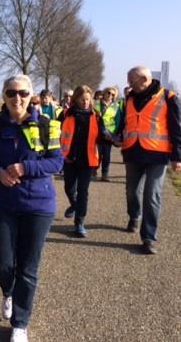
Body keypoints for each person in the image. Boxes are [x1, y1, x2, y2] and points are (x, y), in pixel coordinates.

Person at [0, 74, 63, 342]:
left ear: (31, 96)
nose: (17, 98)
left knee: (28, 266)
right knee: (0, 261)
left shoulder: (48, 125)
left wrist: (26, 167)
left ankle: (20, 323)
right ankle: (9, 291)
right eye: (12, 93)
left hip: (38, 205)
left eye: (23, 93)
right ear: (4, 95)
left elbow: (56, 163)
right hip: (5, 203)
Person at [119, 66, 181, 254]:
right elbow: (125, 122)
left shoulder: (168, 97)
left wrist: (177, 157)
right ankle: (134, 216)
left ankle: (148, 237)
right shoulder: (129, 98)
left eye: (132, 82)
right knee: (132, 191)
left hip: (157, 154)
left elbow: (177, 128)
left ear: (144, 79)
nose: (129, 86)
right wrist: (117, 136)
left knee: (152, 195)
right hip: (133, 152)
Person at [60, 85, 106, 237]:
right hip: (70, 157)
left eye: (88, 100)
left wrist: (111, 138)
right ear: (75, 100)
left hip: (88, 159)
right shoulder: (66, 114)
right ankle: (74, 205)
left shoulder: (96, 116)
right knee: (69, 188)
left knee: (83, 192)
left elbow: (102, 134)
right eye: (82, 100)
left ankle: (79, 222)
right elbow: (56, 131)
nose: (86, 103)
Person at [94, 86, 121, 181]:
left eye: (113, 94)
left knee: (106, 156)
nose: (110, 95)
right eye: (108, 93)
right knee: (97, 154)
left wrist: (115, 133)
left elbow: (118, 121)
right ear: (104, 93)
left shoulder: (116, 106)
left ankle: (105, 174)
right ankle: (94, 169)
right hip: (97, 133)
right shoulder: (96, 104)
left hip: (109, 135)